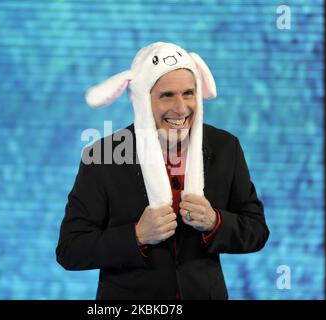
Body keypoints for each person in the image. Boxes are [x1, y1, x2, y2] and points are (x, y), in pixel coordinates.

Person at [56, 42, 269, 299]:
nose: (181, 108)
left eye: (189, 93)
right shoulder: (101, 157)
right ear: (143, 100)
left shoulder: (226, 147)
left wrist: (215, 222)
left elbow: (256, 231)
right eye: (167, 95)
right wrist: (136, 235)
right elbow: (71, 250)